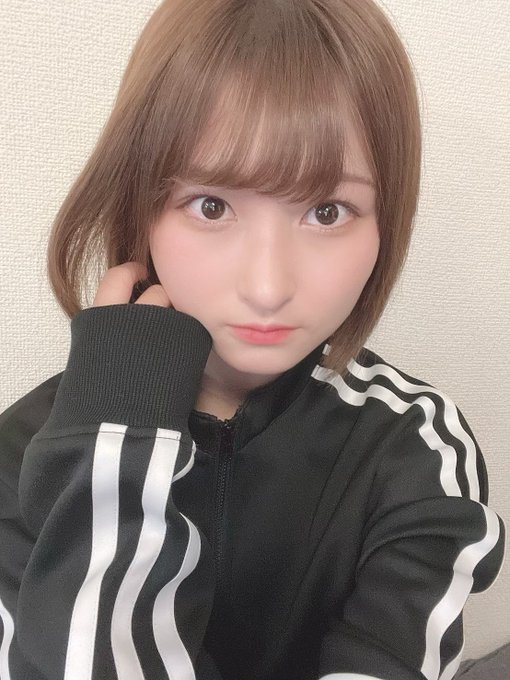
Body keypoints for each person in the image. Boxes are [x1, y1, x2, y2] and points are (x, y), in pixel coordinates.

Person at [0, 0, 505, 678]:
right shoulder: (23, 452)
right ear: (139, 211)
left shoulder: (416, 447)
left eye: (327, 211)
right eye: (211, 206)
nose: (268, 287)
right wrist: (112, 454)